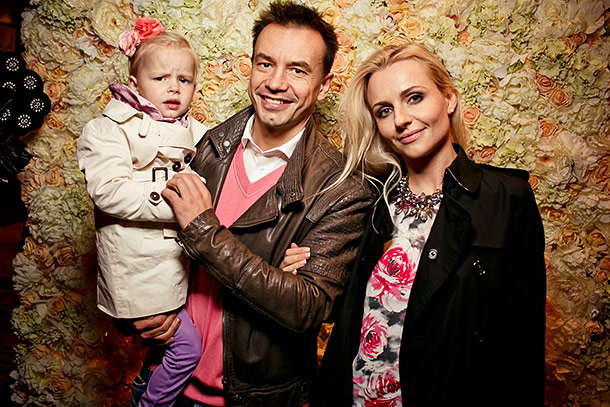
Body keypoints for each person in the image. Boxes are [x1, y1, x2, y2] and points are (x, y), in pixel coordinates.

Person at [129, 2, 373, 406]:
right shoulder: (199, 145)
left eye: (297, 70)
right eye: (265, 64)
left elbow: (306, 307)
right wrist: (134, 311)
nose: (275, 83)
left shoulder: (340, 189)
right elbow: (137, 239)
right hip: (161, 381)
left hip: (251, 399)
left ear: (325, 85)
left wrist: (204, 230)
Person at [311, 43, 546, 406]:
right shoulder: (372, 201)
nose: (400, 119)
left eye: (415, 98)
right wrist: (306, 266)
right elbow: (342, 314)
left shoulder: (506, 198)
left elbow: (522, 345)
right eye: (385, 110)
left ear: (449, 99)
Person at [76, 17, 208, 407]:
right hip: (138, 273)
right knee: (186, 350)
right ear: (135, 85)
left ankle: (146, 395)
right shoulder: (108, 129)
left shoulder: (195, 131)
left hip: (175, 270)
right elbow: (108, 191)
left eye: (184, 79)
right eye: (161, 78)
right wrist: (180, 204)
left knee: (170, 351)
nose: (174, 87)